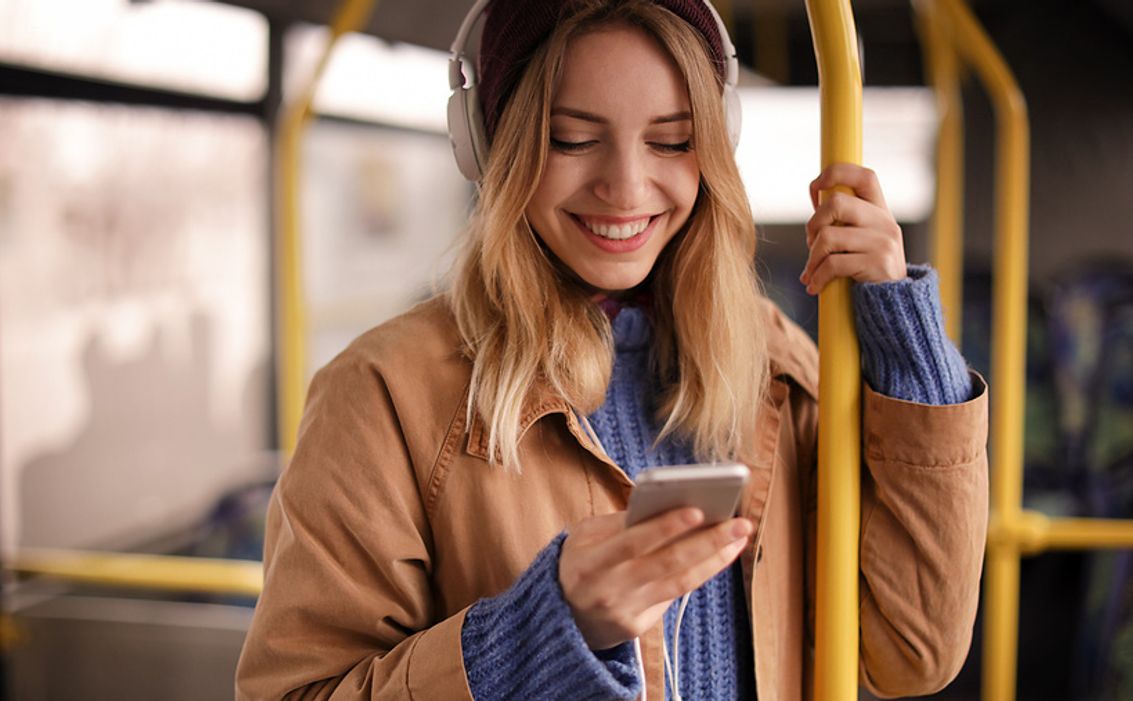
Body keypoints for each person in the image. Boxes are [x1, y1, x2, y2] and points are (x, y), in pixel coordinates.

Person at [235, 0, 989, 699]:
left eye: (670, 140)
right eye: (571, 139)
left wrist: (904, 342)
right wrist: (543, 635)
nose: (626, 188)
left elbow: (912, 648)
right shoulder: (381, 393)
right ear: (492, 147)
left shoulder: (771, 359)